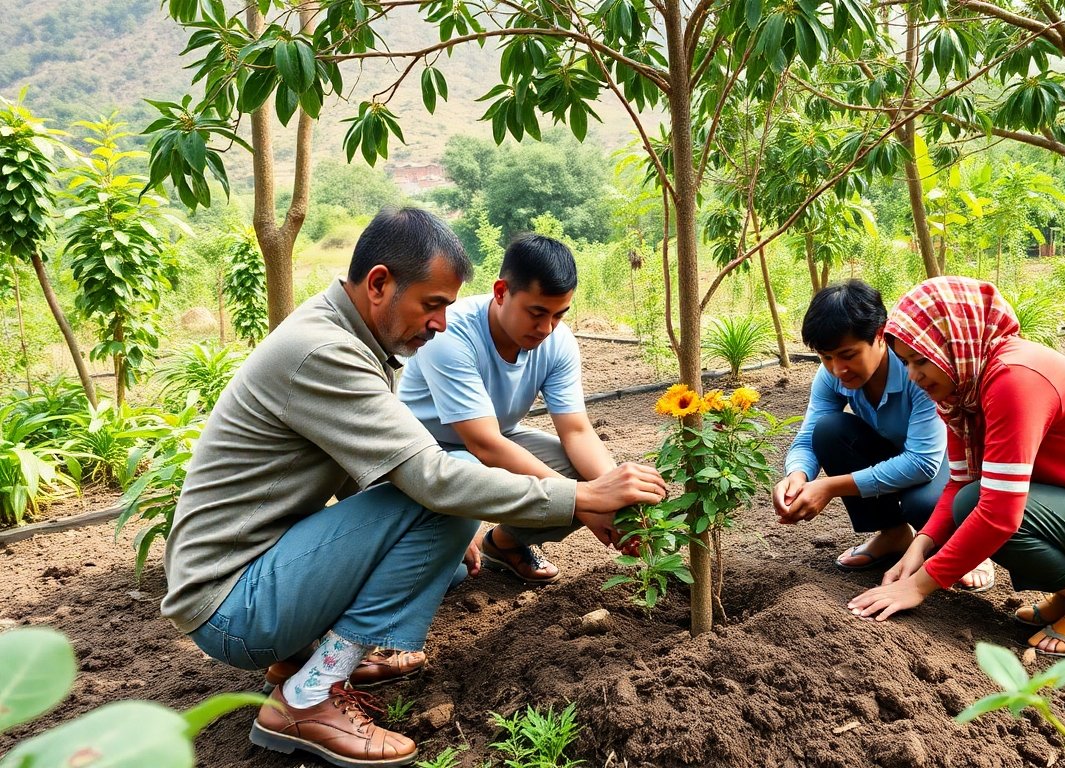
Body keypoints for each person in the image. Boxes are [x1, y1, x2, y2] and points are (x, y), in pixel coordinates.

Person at [161, 208, 666, 768]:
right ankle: (308, 696)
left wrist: (415, 539)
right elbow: (433, 478)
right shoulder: (324, 352)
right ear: (379, 283)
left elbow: (363, 478)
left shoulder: (354, 337)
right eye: (433, 304)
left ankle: (304, 657)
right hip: (232, 606)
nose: (443, 322)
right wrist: (580, 497)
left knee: (444, 519)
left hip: (250, 581)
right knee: (442, 500)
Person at [848, 276, 1065, 657]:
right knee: (968, 499)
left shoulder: (1014, 378)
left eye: (922, 360)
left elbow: (998, 514)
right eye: (906, 363)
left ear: (955, 342)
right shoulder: (964, 393)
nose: (914, 375)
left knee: (981, 504)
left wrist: (919, 585)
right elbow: (958, 483)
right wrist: (920, 548)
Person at [398, 233, 614, 583]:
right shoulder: (451, 333)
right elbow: (483, 444)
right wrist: (585, 502)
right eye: (536, 312)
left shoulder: (558, 342)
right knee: (451, 575)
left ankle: (504, 544)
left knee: (586, 477)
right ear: (501, 292)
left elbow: (576, 431)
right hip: (426, 452)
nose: (546, 328)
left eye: (559, 315)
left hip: (496, 439)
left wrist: (613, 496)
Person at [774, 281, 996, 588]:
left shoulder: (917, 370)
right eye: (826, 357)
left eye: (848, 354)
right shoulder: (831, 376)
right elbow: (809, 434)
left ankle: (969, 547)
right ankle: (894, 535)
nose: (838, 368)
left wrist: (829, 487)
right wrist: (797, 476)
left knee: (923, 502)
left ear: (880, 335)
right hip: (898, 450)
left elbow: (923, 463)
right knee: (829, 432)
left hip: (943, 457)